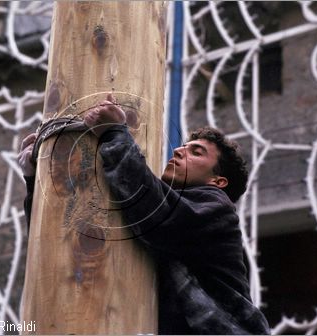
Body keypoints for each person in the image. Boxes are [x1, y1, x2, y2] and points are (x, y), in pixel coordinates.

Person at [18, 94, 270, 335]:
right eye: (182, 147)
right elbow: (55, 244)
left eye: (196, 152)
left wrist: (114, 132)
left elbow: (158, 213)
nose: (179, 152)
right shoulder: (159, 217)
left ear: (218, 181)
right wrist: (34, 180)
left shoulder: (216, 209)